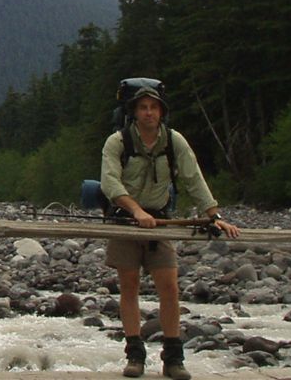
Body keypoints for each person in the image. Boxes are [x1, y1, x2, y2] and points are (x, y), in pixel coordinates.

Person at [100, 86, 240, 380]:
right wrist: (136, 211)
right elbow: (110, 183)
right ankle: (135, 355)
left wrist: (214, 215)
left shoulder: (174, 142)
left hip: (160, 222)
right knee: (129, 285)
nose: (149, 112)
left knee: (170, 288)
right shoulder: (117, 142)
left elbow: (193, 179)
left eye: (154, 107)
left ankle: (173, 358)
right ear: (134, 112)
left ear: (162, 111)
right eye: (143, 107)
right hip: (124, 221)